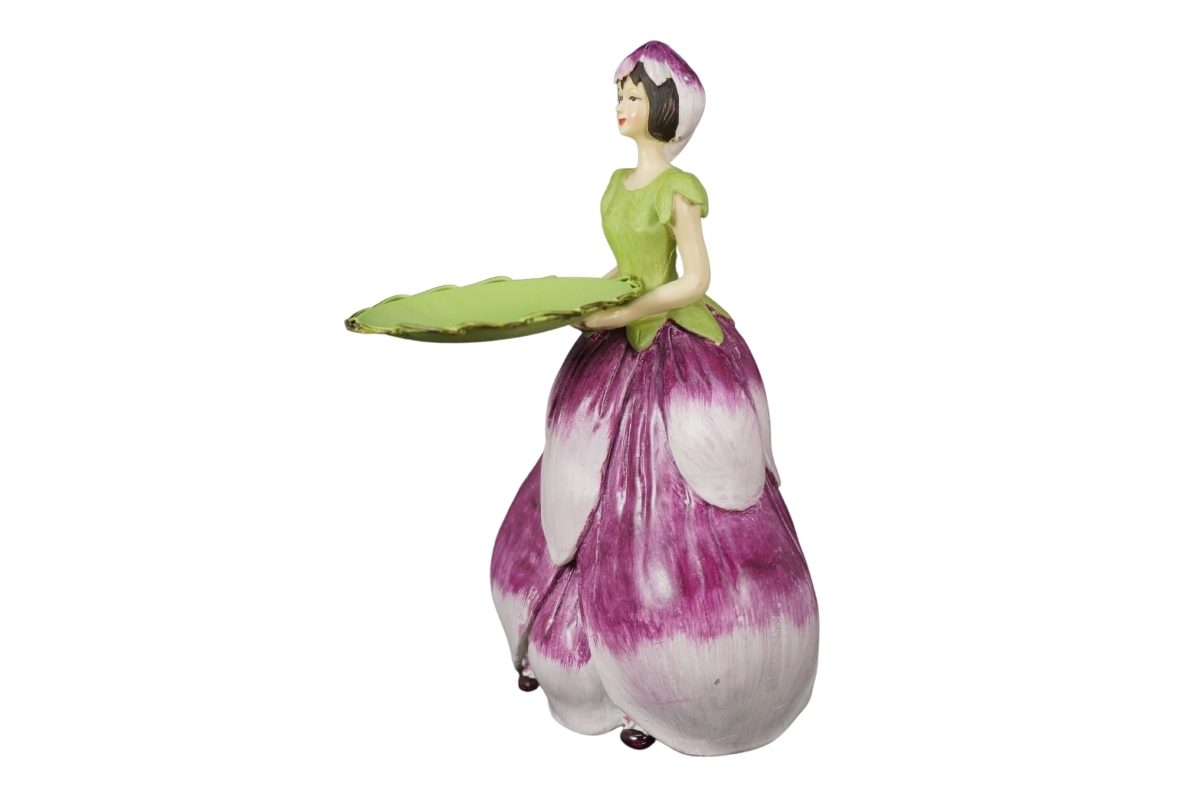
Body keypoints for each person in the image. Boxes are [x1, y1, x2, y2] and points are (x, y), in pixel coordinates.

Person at [489, 41, 819, 756]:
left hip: (669, 340)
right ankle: (568, 643)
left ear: (667, 109)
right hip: (618, 332)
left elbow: (693, 279)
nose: (622, 106)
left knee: (690, 465)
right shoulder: (617, 185)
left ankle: (692, 663)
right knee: (579, 468)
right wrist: (592, 302)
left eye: (634, 96)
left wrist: (622, 313)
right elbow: (626, 266)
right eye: (619, 94)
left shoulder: (680, 190)